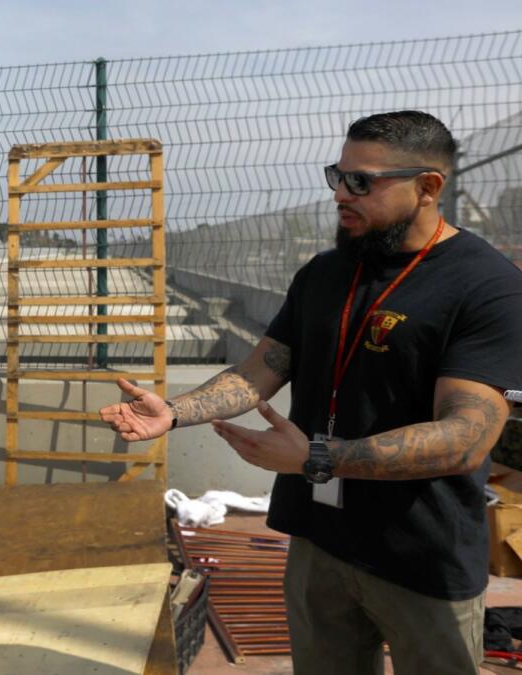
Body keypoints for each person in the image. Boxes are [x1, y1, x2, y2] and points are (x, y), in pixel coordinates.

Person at [100, 110, 522, 674]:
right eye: (338, 175)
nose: (340, 194)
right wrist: (172, 413)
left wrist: (318, 458)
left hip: (421, 553)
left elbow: (466, 438)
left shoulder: (486, 286)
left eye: (361, 181)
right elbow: (260, 371)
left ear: (428, 188)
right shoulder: (325, 273)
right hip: (320, 540)